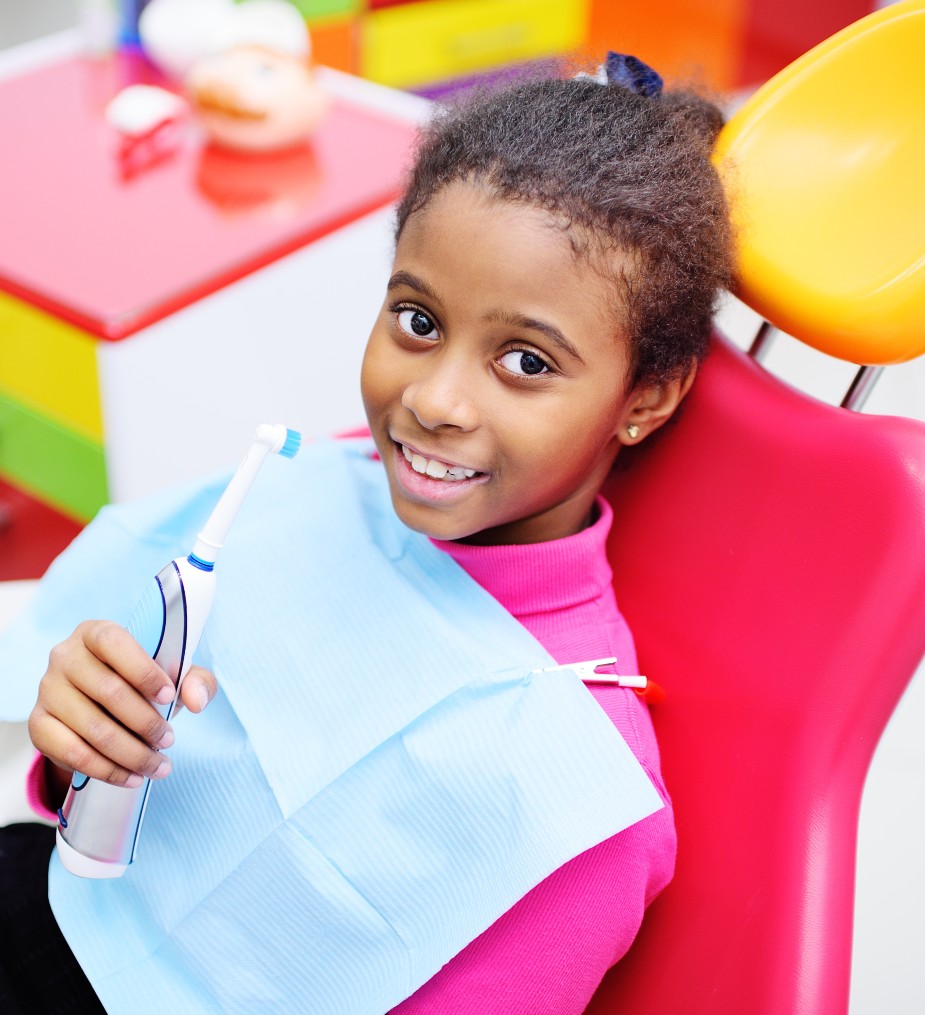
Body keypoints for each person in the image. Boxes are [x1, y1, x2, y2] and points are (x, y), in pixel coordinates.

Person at [2, 54, 734, 1014]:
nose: (433, 401)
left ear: (645, 396)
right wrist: (81, 740)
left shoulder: (581, 807)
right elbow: (89, 811)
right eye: (417, 320)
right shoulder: (313, 482)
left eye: (524, 360)